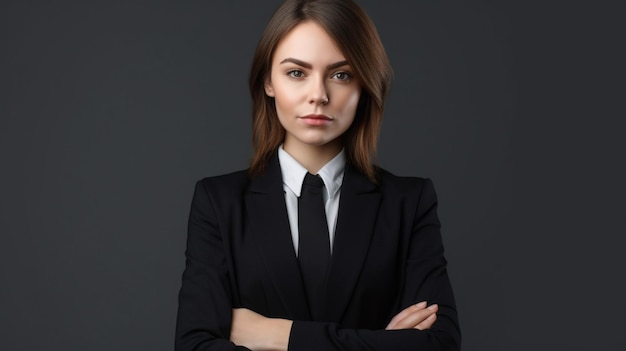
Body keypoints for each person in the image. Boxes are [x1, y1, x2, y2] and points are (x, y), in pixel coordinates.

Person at [175, 0, 461, 350]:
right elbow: (194, 345)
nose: (319, 96)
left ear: (364, 86)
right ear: (268, 81)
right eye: (296, 72)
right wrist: (379, 343)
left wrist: (280, 335)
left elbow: (439, 344)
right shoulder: (219, 202)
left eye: (341, 75)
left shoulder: (408, 202)